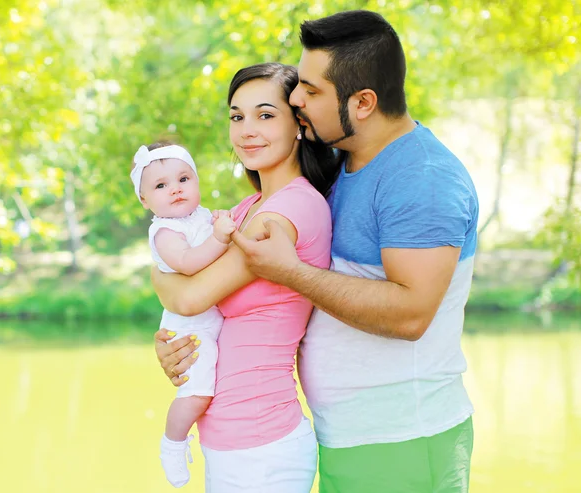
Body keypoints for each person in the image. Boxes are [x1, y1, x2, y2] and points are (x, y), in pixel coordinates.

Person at [156, 10, 480, 493]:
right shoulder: (342, 172)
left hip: (405, 440)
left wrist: (289, 273)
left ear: (364, 102)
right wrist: (182, 343)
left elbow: (411, 314)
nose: (298, 101)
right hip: (343, 437)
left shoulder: (422, 179)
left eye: (311, 91)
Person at [152, 62, 340, 492]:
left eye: (265, 114)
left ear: (299, 124)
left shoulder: (285, 212)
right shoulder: (245, 209)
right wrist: (173, 347)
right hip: (230, 442)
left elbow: (188, 296)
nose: (247, 130)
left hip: (262, 445)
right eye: (237, 116)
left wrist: (158, 275)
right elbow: (187, 300)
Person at [130, 142, 236, 487]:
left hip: (209, 319)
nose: (175, 188)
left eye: (183, 178)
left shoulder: (202, 216)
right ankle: (173, 444)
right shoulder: (165, 232)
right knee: (197, 394)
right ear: (145, 200)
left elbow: (213, 231)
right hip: (190, 329)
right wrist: (222, 238)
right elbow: (189, 263)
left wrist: (219, 221)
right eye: (160, 186)